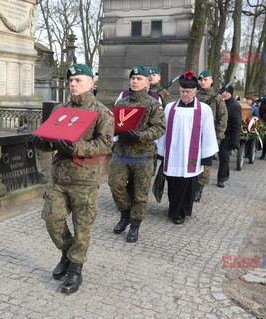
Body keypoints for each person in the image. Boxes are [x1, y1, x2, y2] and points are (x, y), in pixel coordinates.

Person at [31, 64, 114, 294]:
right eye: (71, 80)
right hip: (59, 176)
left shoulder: (102, 113)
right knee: (52, 219)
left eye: (78, 80)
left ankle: (76, 269)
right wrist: (43, 143)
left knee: (82, 226)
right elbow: (51, 139)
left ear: (91, 83)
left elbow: (105, 144)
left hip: (84, 180)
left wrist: (75, 147)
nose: (73, 83)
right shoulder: (60, 109)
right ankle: (67, 253)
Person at [109, 65, 166, 243]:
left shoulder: (152, 104)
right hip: (122, 153)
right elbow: (113, 125)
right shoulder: (121, 103)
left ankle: (135, 225)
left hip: (143, 155)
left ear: (147, 82)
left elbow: (160, 128)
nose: (135, 81)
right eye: (133, 78)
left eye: (139, 78)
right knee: (116, 186)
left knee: (140, 194)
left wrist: (142, 136)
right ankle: (125, 215)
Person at [157, 71, 219, 224]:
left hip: (193, 155)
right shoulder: (170, 108)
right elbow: (163, 131)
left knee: (189, 183)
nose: (184, 94)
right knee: (173, 183)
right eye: (182, 91)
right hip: (173, 153)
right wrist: (161, 151)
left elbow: (208, 133)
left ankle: (184, 211)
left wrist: (206, 156)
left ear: (195, 92)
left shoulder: (204, 110)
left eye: (188, 92)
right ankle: (174, 209)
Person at [194, 69, 228, 201]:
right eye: (201, 80)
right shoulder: (195, 95)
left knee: (206, 163)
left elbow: (223, 117)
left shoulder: (218, 98)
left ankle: (199, 189)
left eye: (205, 79)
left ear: (211, 80)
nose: (203, 82)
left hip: (209, 134)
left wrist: (219, 136)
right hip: (194, 133)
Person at [217, 85, 242, 188]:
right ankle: (226, 173)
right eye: (223, 91)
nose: (224, 93)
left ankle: (221, 178)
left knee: (224, 155)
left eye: (227, 91)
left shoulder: (235, 106)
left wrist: (235, 141)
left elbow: (237, 125)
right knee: (221, 156)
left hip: (228, 134)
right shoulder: (219, 103)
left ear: (231, 93)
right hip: (218, 132)